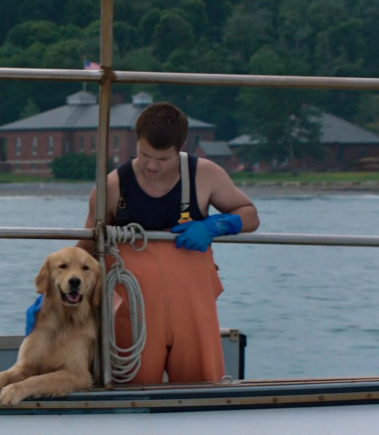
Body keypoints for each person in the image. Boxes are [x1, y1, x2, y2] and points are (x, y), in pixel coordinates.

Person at [27, 102, 260, 384]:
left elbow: (249, 215)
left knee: (201, 386)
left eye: (162, 159)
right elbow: (86, 247)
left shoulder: (205, 175)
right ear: (136, 142)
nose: (151, 165)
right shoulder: (112, 187)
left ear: (181, 147)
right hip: (132, 308)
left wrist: (215, 224)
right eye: (144, 154)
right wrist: (51, 295)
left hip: (193, 306)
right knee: (132, 385)